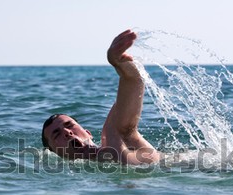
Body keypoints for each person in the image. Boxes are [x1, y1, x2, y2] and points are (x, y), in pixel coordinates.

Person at [41, 29, 160, 165]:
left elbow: (135, 80)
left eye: (70, 125)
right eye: (56, 134)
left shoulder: (115, 140)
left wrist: (120, 64)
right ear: (53, 152)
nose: (67, 132)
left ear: (88, 133)